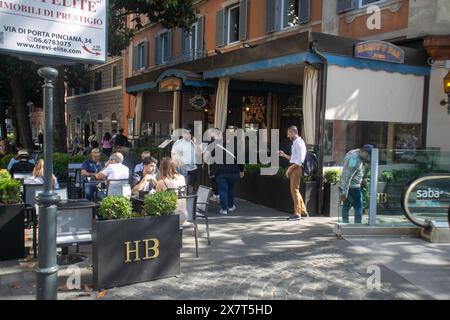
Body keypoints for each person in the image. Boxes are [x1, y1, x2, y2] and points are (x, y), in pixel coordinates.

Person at [210, 135, 245, 215]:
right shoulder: (235, 147)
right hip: (233, 171)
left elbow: (211, 156)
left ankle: (224, 209)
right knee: (231, 189)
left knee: (223, 190)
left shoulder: (217, 147)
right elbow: (240, 160)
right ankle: (230, 206)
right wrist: (242, 170)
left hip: (220, 172)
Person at [278, 126, 308, 221]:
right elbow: (294, 158)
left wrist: (289, 169)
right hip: (295, 168)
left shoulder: (299, 143)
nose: (287, 135)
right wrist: (284, 155)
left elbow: (300, 160)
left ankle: (297, 213)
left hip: (296, 168)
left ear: (293, 133)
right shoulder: (296, 143)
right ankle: (302, 211)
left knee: (294, 191)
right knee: (295, 190)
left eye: (288, 133)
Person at [339, 144, 374, 224]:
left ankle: (345, 224)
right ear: (364, 151)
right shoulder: (354, 159)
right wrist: (344, 191)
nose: (368, 158)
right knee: (358, 207)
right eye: (368, 155)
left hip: (348, 186)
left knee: (346, 206)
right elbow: (348, 173)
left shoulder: (353, 152)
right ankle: (357, 225)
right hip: (353, 187)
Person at [155, 157, 188, 225]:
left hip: (171, 217)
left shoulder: (161, 182)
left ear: (161, 168)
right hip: (184, 216)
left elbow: (157, 200)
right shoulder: (182, 178)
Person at [171, 129, 199, 194]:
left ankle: (189, 200)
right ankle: (182, 199)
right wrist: (177, 163)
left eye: (189, 134)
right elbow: (173, 154)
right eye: (186, 134)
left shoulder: (193, 143)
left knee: (191, 185)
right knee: (182, 185)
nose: (188, 135)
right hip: (181, 167)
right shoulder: (178, 143)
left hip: (192, 168)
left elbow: (198, 153)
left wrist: (196, 143)